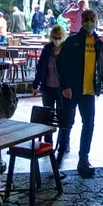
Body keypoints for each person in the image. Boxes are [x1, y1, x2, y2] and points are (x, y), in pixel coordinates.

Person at [56, 10, 103, 178]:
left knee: (88, 125)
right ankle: (59, 156)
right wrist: (65, 86)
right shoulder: (72, 41)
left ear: (96, 21)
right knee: (67, 122)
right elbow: (61, 63)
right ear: (81, 21)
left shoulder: (99, 44)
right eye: (86, 19)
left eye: (92, 20)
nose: (89, 22)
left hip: (89, 91)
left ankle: (83, 159)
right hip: (72, 90)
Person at [32, 25, 69, 155]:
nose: (57, 40)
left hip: (62, 88)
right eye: (54, 38)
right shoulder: (47, 49)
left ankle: (64, 144)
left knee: (63, 117)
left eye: (59, 38)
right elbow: (40, 68)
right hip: (47, 87)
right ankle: (48, 143)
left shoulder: (67, 50)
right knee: (47, 116)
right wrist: (35, 85)